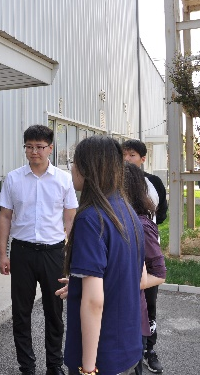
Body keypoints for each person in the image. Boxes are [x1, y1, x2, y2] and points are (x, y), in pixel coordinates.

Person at [56, 135, 144, 375]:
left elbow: (94, 302)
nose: (71, 168)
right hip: (127, 346)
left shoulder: (91, 219)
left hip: (102, 355)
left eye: (74, 162)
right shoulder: (126, 211)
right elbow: (129, 275)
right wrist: (79, 284)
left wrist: (88, 369)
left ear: (87, 168)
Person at [0, 124, 78, 375]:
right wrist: (3, 254)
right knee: (21, 312)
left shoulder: (63, 179)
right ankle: (27, 367)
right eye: (29, 147)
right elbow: (5, 217)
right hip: (22, 252)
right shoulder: (13, 178)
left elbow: (70, 217)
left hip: (54, 253)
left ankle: (54, 365)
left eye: (40, 147)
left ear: (50, 148)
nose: (34, 152)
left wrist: (69, 252)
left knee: (54, 312)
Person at [122, 139, 167, 374]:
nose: (126, 159)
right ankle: (133, 352)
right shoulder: (115, 180)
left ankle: (149, 349)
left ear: (142, 158)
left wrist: (146, 229)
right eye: (123, 154)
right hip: (124, 253)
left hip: (147, 250)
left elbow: (162, 213)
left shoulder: (153, 182)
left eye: (131, 155)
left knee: (149, 304)